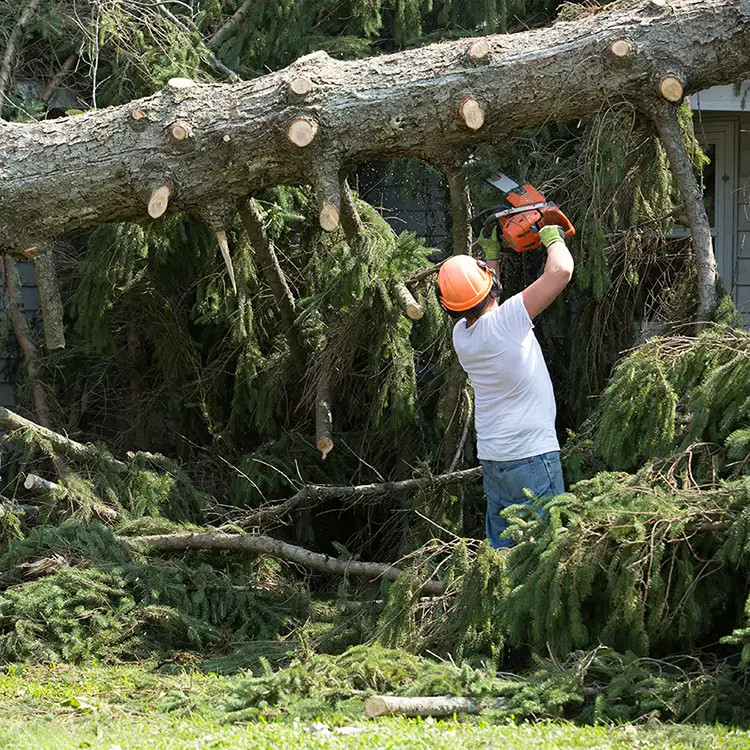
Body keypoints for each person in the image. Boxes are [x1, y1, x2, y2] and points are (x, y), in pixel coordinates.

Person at [436, 224, 574, 548]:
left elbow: (484, 302)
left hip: (495, 458)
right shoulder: (508, 321)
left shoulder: (462, 335)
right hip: (531, 457)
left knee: (504, 553)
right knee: (545, 552)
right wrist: (552, 236)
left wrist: (492, 256)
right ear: (491, 286)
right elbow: (561, 271)